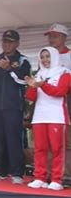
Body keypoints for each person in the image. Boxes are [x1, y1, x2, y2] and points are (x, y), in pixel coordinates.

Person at [0, 30, 31, 184]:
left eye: (10, 42)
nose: (6, 45)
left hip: (13, 107)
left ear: (17, 43)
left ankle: (17, 173)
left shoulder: (23, 61)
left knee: (13, 140)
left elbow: (24, 81)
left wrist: (9, 69)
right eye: (4, 42)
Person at [25, 47, 70, 190]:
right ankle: (40, 177)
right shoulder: (39, 73)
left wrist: (43, 84)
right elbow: (31, 97)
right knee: (39, 148)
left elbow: (60, 92)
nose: (45, 60)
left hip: (56, 116)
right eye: (43, 57)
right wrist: (32, 86)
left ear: (55, 57)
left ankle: (57, 179)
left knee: (57, 148)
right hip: (39, 116)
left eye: (48, 56)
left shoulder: (65, 73)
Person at [45, 23, 71, 186]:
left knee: (66, 140)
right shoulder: (46, 56)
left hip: (67, 100)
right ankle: (48, 174)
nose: (51, 39)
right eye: (50, 36)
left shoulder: (69, 56)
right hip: (47, 103)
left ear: (63, 37)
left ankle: (66, 174)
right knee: (47, 140)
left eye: (55, 36)